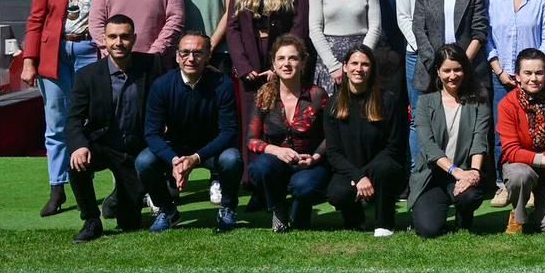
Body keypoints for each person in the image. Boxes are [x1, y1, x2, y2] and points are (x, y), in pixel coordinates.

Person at [23, 0, 105, 218]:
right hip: (54, 54)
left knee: (89, 120)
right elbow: (36, 19)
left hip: (88, 51)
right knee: (55, 123)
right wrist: (29, 60)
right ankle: (57, 187)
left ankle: (85, 181)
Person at [138, 31, 242, 234]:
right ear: (177, 56)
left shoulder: (223, 84)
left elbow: (229, 131)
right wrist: (175, 160)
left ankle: (228, 208)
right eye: (185, 53)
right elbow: (151, 133)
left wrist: (196, 157)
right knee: (144, 161)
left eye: (197, 53)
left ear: (208, 55)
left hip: (211, 150)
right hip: (175, 148)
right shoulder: (162, 85)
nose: (191, 59)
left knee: (232, 158)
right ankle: (167, 211)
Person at [66, 14, 157, 242]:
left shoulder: (151, 66)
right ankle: (91, 220)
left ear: (134, 38)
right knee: (77, 165)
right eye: (113, 37)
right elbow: (74, 119)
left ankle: (117, 199)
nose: (119, 42)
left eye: (125, 37)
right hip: (102, 145)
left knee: (129, 224)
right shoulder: (87, 76)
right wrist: (78, 146)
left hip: (134, 150)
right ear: (104, 39)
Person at [487, 0, 545, 204]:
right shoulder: (494, 0)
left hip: (535, 80)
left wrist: (531, 72)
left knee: (536, 132)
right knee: (502, 133)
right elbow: (487, 38)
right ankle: (503, 183)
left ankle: (531, 183)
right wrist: (500, 70)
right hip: (503, 78)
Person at [244, 35, 329, 233]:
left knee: (304, 187)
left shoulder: (317, 95)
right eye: (281, 59)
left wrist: (315, 158)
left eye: (293, 58)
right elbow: (251, 139)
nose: (287, 64)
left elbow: (331, 137)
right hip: (278, 162)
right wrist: (274, 150)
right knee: (259, 168)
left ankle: (302, 205)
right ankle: (278, 207)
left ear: (303, 63)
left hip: (310, 163)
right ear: (274, 63)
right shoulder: (264, 94)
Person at [323, 45, 407, 237]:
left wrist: (366, 174)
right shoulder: (333, 104)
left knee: (384, 169)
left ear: (372, 68)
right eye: (354, 63)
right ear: (344, 67)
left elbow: (395, 146)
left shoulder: (388, 101)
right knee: (337, 193)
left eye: (365, 64)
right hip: (351, 172)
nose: (358, 69)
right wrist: (358, 176)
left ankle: (384, 222)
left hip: (383, 170)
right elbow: (333, 152)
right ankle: (355, 219)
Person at [408, 44, 488, 238]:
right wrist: (455, 171)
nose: (452, 76)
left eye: (457, 69)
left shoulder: (478, 101)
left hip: (464, 171)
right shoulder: (425, 102)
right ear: (438, 71)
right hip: (433, 176)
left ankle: (464, 215)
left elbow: (479, 140)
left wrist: (474, 173)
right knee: (428, 230)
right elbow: (428, 146)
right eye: (447, 70)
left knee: (471, 195)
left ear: (465, 70)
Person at [225, 0, 309, 114]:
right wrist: (243, 66)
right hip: (250, 59)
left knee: (278, 116)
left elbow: (299, 27)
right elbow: (232, 28)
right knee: (250, 118)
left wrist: (278, 65)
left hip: (281, 59)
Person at [496, 48, 545, 235]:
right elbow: (511, 151)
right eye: (528, 73)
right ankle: (518, 214)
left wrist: (543, 161)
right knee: (520, 175)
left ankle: (537, 210)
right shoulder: (507, 105)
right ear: (517, 76)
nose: (534, 78)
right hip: (524, 167)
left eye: (539, 73)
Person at [411, 0, 488, 100]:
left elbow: (479, 33)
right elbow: (419, 30)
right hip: (432, 70)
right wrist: (436, 64)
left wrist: (461, 64)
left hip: (468, 68)